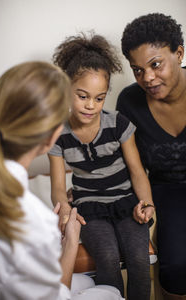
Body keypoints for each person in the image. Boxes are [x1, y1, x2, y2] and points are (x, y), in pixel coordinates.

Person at [0, 61, 122, 300]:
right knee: (110, 293)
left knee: (88, 281)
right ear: (52, 137)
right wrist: (70, 241)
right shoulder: (35, 222)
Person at [48, 32, 155, 300]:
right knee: (106, 258)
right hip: (90, 207)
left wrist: (147, 203)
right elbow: (59, 188)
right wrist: (66, 214)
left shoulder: (118, 124)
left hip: (125, 201)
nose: (91, 106)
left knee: (139, 262)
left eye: (99, 98)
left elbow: (137, 171)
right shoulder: (57, 135)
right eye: (82, 96)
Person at [116, 13, 186, 299]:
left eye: (155, 64)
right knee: (176, 266)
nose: (148, 78)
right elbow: (127, 163)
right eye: (137, 69)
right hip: (166, 189)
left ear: (179, 53)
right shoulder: (130, 102)